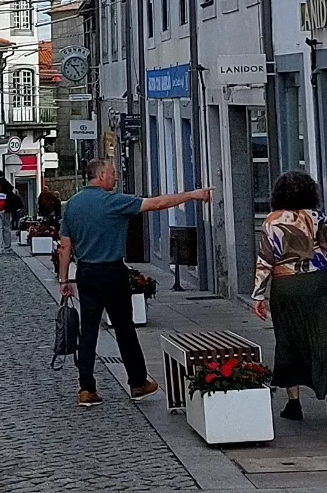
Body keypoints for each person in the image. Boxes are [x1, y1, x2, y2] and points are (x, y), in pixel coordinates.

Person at [57, 158, 212, 408]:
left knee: (88, 331)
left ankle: (86, 388)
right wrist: (192, 195)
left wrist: (64, 279)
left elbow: (65, 246)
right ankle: (138, 382)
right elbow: (157, 204)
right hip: (112, 272)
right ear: (101, 175)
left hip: (86, 272)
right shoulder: (114, 201)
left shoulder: (72, 204)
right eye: (113, 173)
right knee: (124, 329)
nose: (116, 177)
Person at [252, 170, 327, 427]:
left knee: (289, 340)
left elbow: (265, 261)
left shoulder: (271, 222)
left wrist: (258, 296)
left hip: (286, 286)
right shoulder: (319, 218)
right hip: (319, 284)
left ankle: (294, 403)